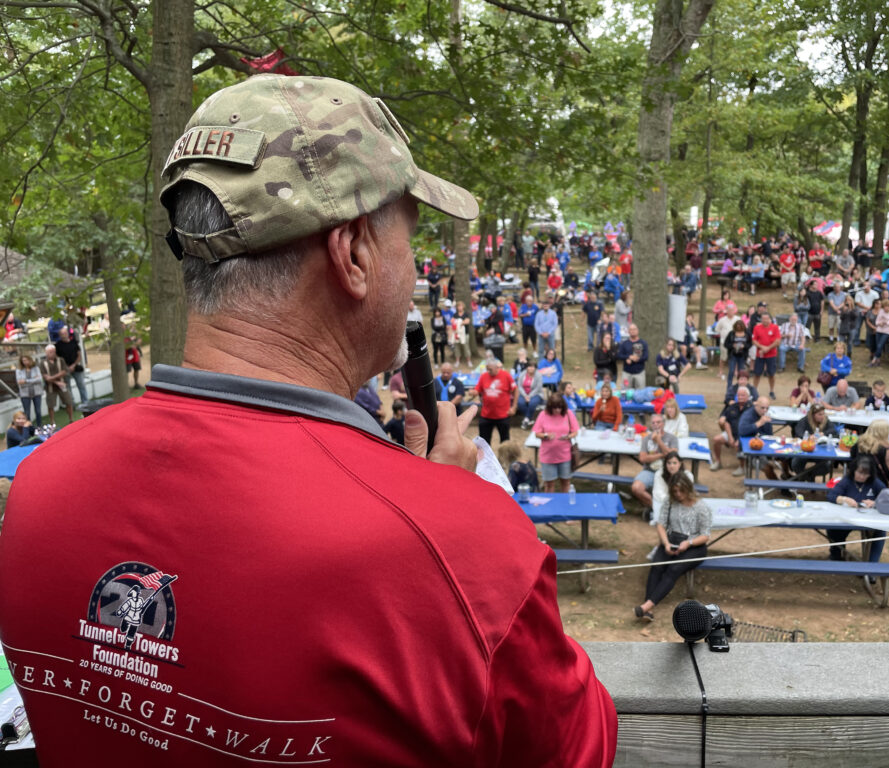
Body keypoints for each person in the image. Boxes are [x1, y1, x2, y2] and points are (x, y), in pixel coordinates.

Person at [0, 76, 615, 766]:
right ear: (352, 253)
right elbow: (579, 749)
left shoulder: (42, 484)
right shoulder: (463, 543)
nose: (416, 271)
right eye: (409, 239)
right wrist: (451, 518)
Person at [633, 472, 712, 622]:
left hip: (695, 546)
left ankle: (646, 606)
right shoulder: (670, 502)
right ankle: (647, 608)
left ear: (688, 488)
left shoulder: (701, 507)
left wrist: (688, 543)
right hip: (672, 540)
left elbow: (705, 535)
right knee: (657, 566)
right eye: (675, 491)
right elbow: (661, 524)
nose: (678, 494)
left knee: (673, 569)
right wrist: (666, 543)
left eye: (681, 490)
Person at [825, 455, 888, 564]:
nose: (862, 477)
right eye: (859, 473)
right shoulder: (847, 481)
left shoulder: (874, 482)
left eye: (866, 474)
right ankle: (836, 555)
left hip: (869, 520)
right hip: (847, 519)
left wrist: (875, 503)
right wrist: (844, 499)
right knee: (833, 529)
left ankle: (872, 564)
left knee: (880, 531)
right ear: (853, 470)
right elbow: (831, 495)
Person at [533, 392, 579, 492]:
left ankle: (565, 504)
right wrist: (546, 435)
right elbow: (537, 433)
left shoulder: (568, 413)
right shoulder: (543, 414)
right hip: (548, 456)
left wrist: (568, 436)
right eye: (555, 408)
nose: (558, 410)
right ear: (550, 407)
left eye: (560, 407)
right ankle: (549, 506)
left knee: (566, 482)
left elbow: (575, 431)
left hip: (565, 455)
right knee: (549, 484)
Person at [631, 413, 679, 509]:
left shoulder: (672, 438)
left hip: (668, 471)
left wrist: (658, 441)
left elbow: (672, 457)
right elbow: (642, 458)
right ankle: (657, 509)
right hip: (649, 471)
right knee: (636, 488)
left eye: (658, 422)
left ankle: (670, 511)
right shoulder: (646, 439)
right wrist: (661, 455)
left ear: (663, 424)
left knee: (678, 490)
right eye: (653, 423)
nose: (656, 424)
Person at [710, 386, 751, 474]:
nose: (740, 397)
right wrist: (730, 437)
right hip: (732, 433)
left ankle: (742, 467)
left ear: (748, 397)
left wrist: (738, 439)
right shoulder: (732, 407)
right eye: (739, 395)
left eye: (743, 395)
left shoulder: (751, 408)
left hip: (745, 435)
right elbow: (727, 423)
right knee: (716, 440)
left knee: (738, 445)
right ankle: (718, 462)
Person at [39, 343, 74, 422]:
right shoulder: (42, 363)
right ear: (46, 353)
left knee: (68, 402)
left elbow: (64, 371)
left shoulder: (60, 360)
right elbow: (45, 377)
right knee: (51, 405)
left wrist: (52, 378)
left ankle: (71, 419)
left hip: (62, 385)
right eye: (50, 352)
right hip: (50, 388)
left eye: (54, 351)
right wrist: (57, 382)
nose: (53, 353)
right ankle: (52, 421)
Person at [54, 325, 88, 405]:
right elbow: (58, 358)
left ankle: (85, 402)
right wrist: (66, 367)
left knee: (81, 385)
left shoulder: (74, 343)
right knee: (68, 387)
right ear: (60, 335)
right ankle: (71, 404)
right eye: (62, 334)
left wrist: (73, 365)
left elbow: (79, 355)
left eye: (65, 333)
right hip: (65, 370)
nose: (64, 335)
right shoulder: (57, 346)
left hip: (76, 367)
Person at [751, 311, 781, 399]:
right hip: (759, 354)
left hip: (771, 355)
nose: (765, 321)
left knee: (771, 374)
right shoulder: (757, 327)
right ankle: (754, 391)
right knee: (757, 373)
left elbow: (778, 341)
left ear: (770, 319)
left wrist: (768, 348)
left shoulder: (775, 328)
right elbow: (754, 340)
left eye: (766, 319)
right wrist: (761, 347)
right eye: (763, 319)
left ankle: (771, 391)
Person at [15, 352, 44, 427]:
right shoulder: (19, 370)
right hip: (25, 393)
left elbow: (39, 379)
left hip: (36, 392)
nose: (25, 362)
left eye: (26, 360)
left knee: (38, 411)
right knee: (27, 412)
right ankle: (29, 428)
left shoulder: (36, 368)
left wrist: (26, 381)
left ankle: (39, 426)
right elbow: (19, 382)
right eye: (23, 360)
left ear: (30, 360)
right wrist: (33, 380)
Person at [515, 362, 545, 429]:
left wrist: (529, 396)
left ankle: (526, 420)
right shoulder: (522, 374)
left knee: (532, 403)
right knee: (520, 403)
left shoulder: (538, 375)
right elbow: (519, 386)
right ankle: (529, 419)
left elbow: (538, 387)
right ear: (526, 367)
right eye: (529, 366)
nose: (531, 368)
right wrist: (525, 395)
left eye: (533, 367)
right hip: (524, 394)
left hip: (536, 394)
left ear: (535, 368)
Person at [618, 323, 649, 390]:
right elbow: (619, 355)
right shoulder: (624, 343)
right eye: (631, 329)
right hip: (627, 373)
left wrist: (638, 359)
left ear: (638, 330)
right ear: (628, 331)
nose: (633, 331)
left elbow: (646, 356)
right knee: (625, 393)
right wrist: (628, 357)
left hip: (639, 372)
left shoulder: (643, 343)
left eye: (634, 329)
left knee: (640, 394)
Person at [724, 319, 751, 388]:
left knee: (741, 372)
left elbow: (750, 344)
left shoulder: (747, 334)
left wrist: (744, 346)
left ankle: (740, 386)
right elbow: (726, 344)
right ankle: (729, 387)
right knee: (731, 371)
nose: (738, 328)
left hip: (742, 355)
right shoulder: (731, 334)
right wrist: (732, 345)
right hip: (733, 355)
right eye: (737, 326)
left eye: (740, 326)